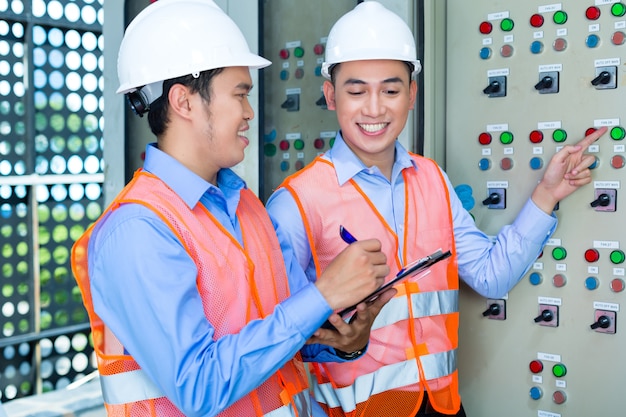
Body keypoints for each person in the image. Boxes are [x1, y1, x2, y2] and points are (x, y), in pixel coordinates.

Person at [265, 2, 608, 417]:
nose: (374, 108)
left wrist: (546, 197)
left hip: (443, 407)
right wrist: (343, 342)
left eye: (391, 90)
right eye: (356, 91)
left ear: (412, 94)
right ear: (329, 94)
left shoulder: (432, 180)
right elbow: (280, 340)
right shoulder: (296, 202)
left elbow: (490, 276)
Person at [70, 1, 393, 416]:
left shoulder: (248, 208)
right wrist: (323, 293)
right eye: (240, 95)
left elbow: (290, 336)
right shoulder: (138, 230)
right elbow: (199, 387)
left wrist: (346, 338)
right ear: (184, 102)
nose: (249, 113)